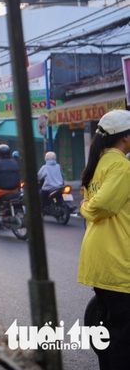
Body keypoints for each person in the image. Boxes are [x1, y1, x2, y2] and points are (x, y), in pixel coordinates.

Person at [77, 109, 130, 369]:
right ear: (126, 138)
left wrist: (86, 205)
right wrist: (85, 207)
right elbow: (101, 206)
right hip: (117, 256)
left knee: (110, 326)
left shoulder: (98, 163)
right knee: (123, 335)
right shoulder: (121, 166)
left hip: (99, 254)